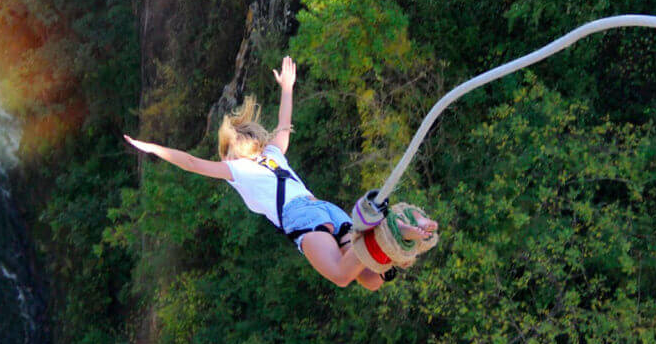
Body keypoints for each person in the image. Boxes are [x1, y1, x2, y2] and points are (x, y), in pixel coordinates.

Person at [124, 56, 437, 291]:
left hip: (301, 217)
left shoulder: (238, 168)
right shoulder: (272, 152)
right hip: (326, 208)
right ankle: (398, 234)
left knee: (343, 277)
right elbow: (284, 124)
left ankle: (392, 225)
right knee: (370, 279)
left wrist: (152, 149)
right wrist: (287, 87)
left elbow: (192, 163)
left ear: (229, 152)